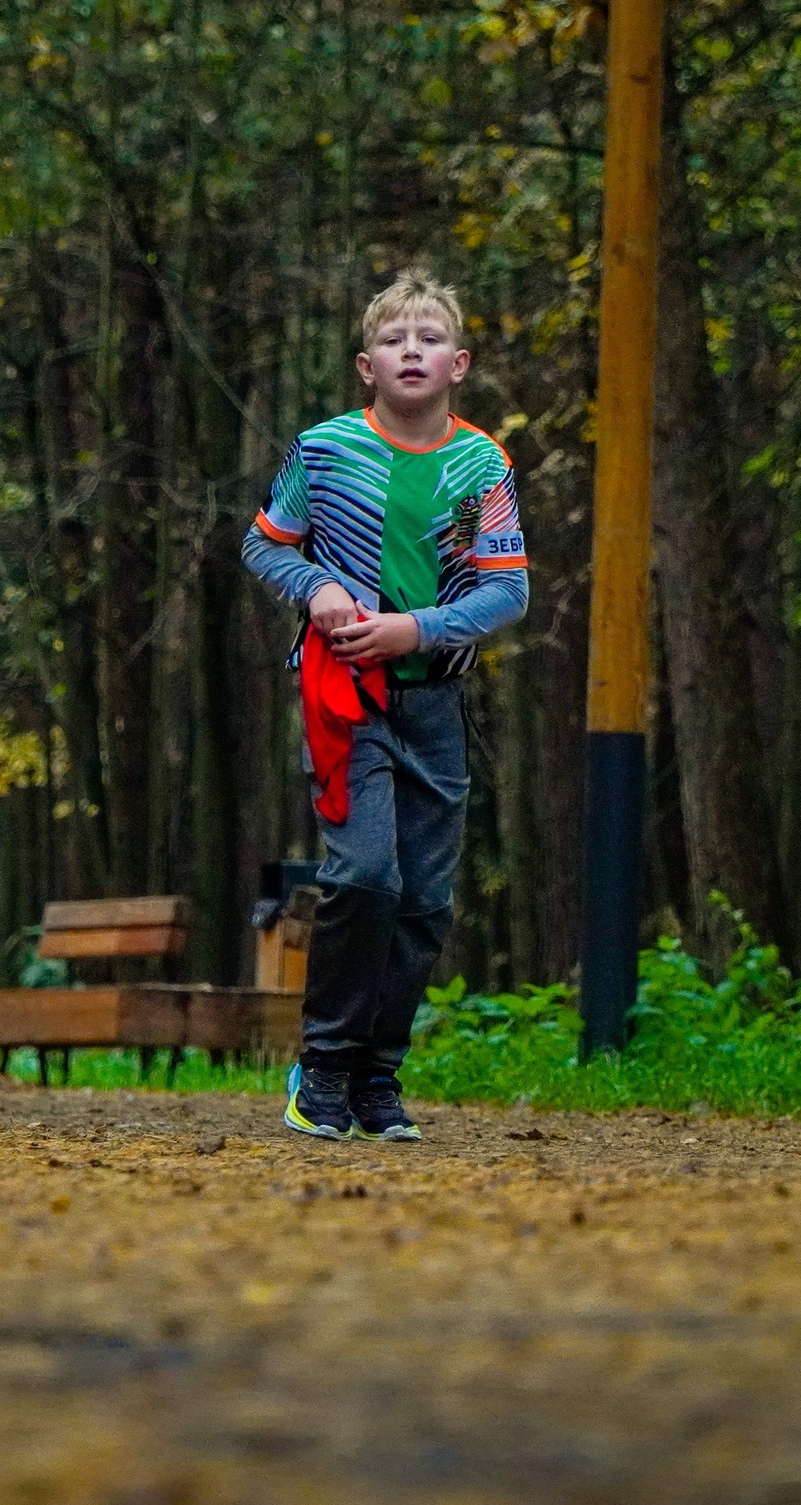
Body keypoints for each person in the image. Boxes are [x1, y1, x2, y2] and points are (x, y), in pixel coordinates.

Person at [241, 271, 529, 1142]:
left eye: (429, 339)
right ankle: (323, 1067)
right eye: (394, 339)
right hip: (345, 700)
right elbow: (265, 543)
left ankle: (378, 1074)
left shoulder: (482, 466)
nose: (412, 350)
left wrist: (418, 627)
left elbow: (505, 590)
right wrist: (318, 585)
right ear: (367, 365)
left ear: (458, 364)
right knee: (367, 876)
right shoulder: (324, 450)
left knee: (425, 902)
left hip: (434, 702)